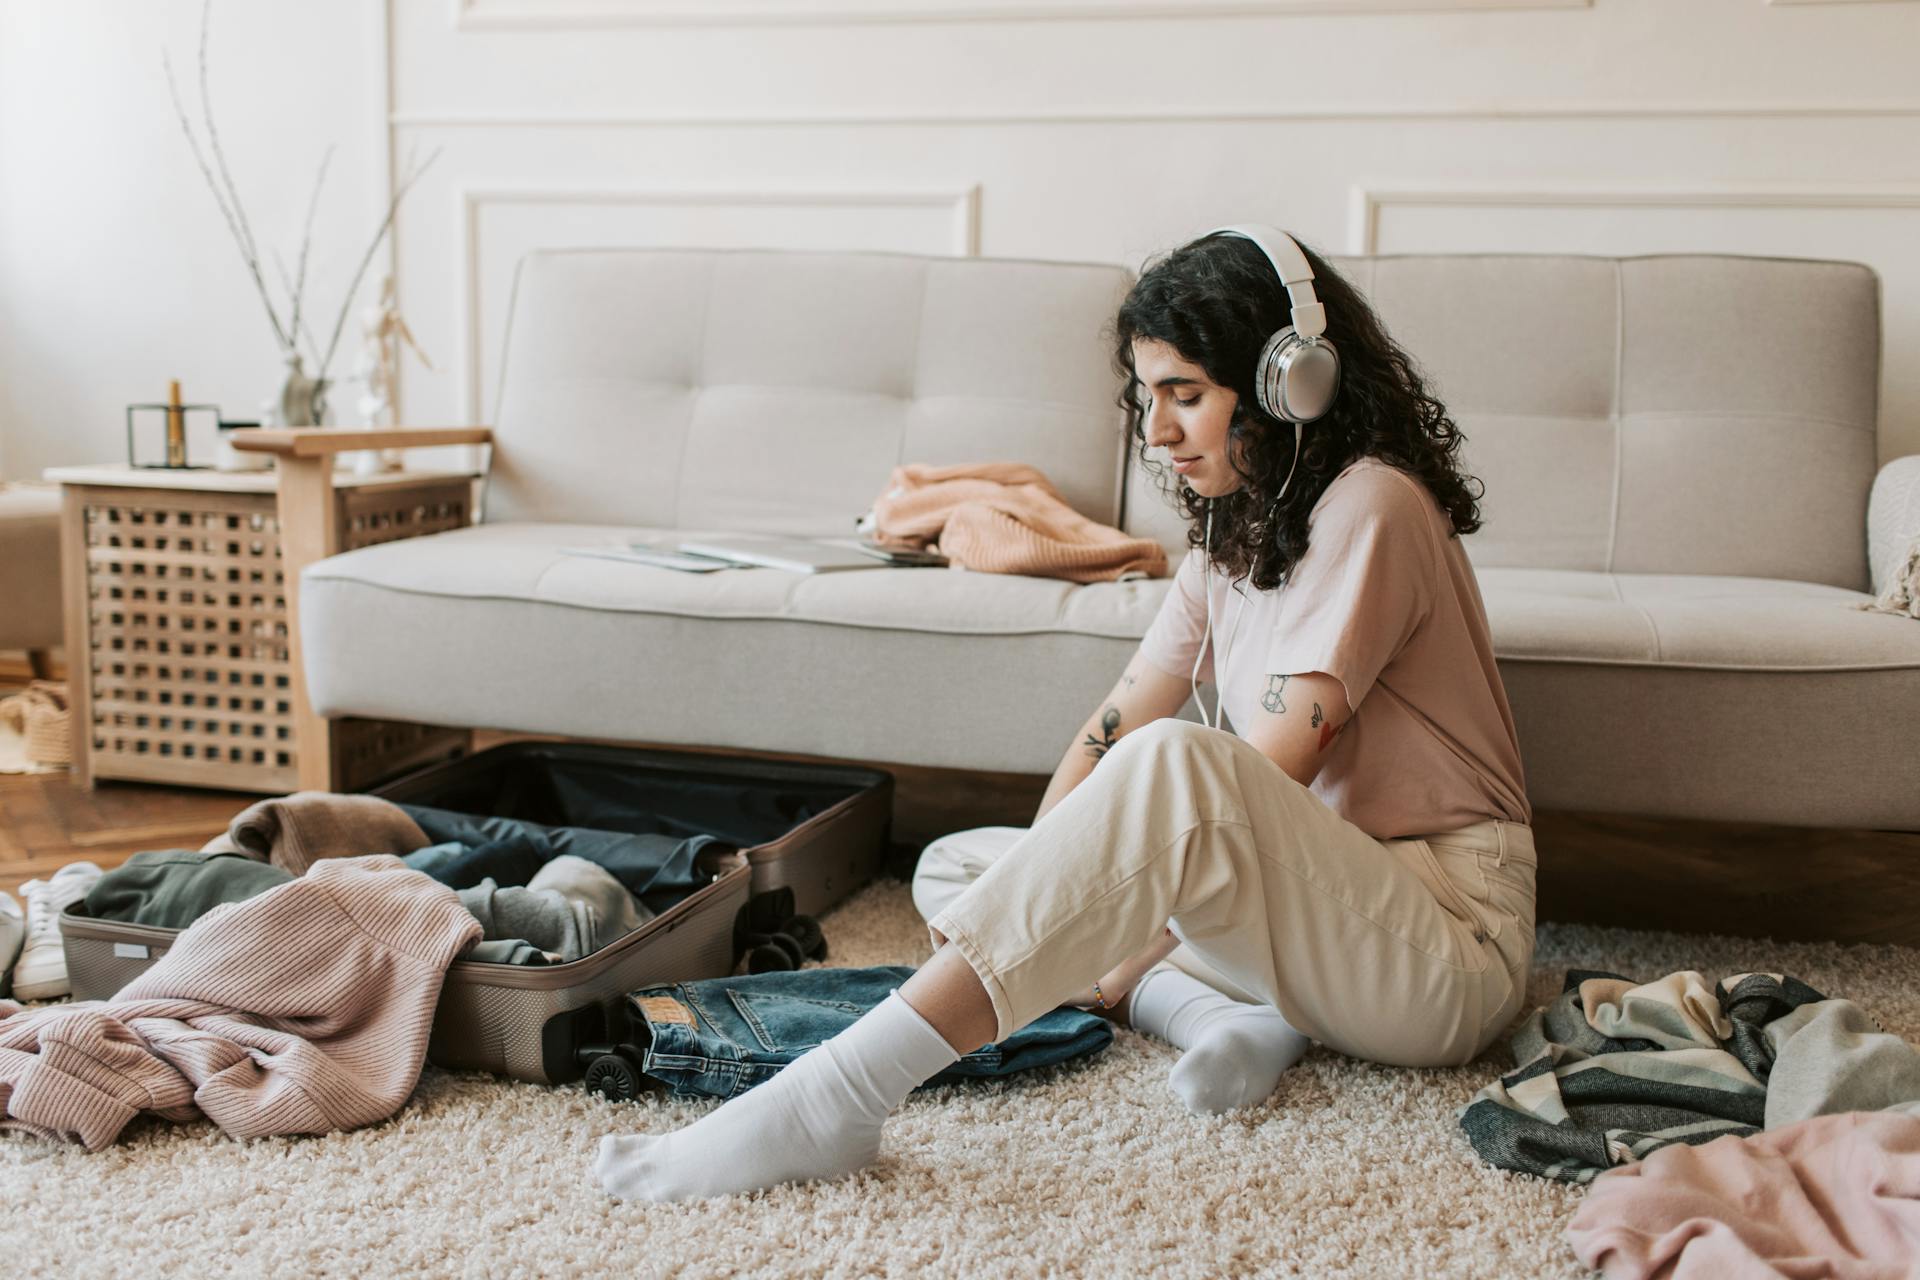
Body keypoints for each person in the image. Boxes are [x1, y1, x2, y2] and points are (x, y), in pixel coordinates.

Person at [594, 225, 1536, 1204]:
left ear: (1287, 379)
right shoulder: (1230, 540)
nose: (1159, 432)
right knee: (964, 862)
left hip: (1443, 943)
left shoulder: (1370, 505)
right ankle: (1230, 1017)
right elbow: (1115, 724)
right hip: (1321, 920)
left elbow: (1255, 782)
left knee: (1177, 778)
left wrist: (1088, 932)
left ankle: (835, 1092)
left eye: (1187, 394)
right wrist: (1054, 881)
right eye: (1150, 396)